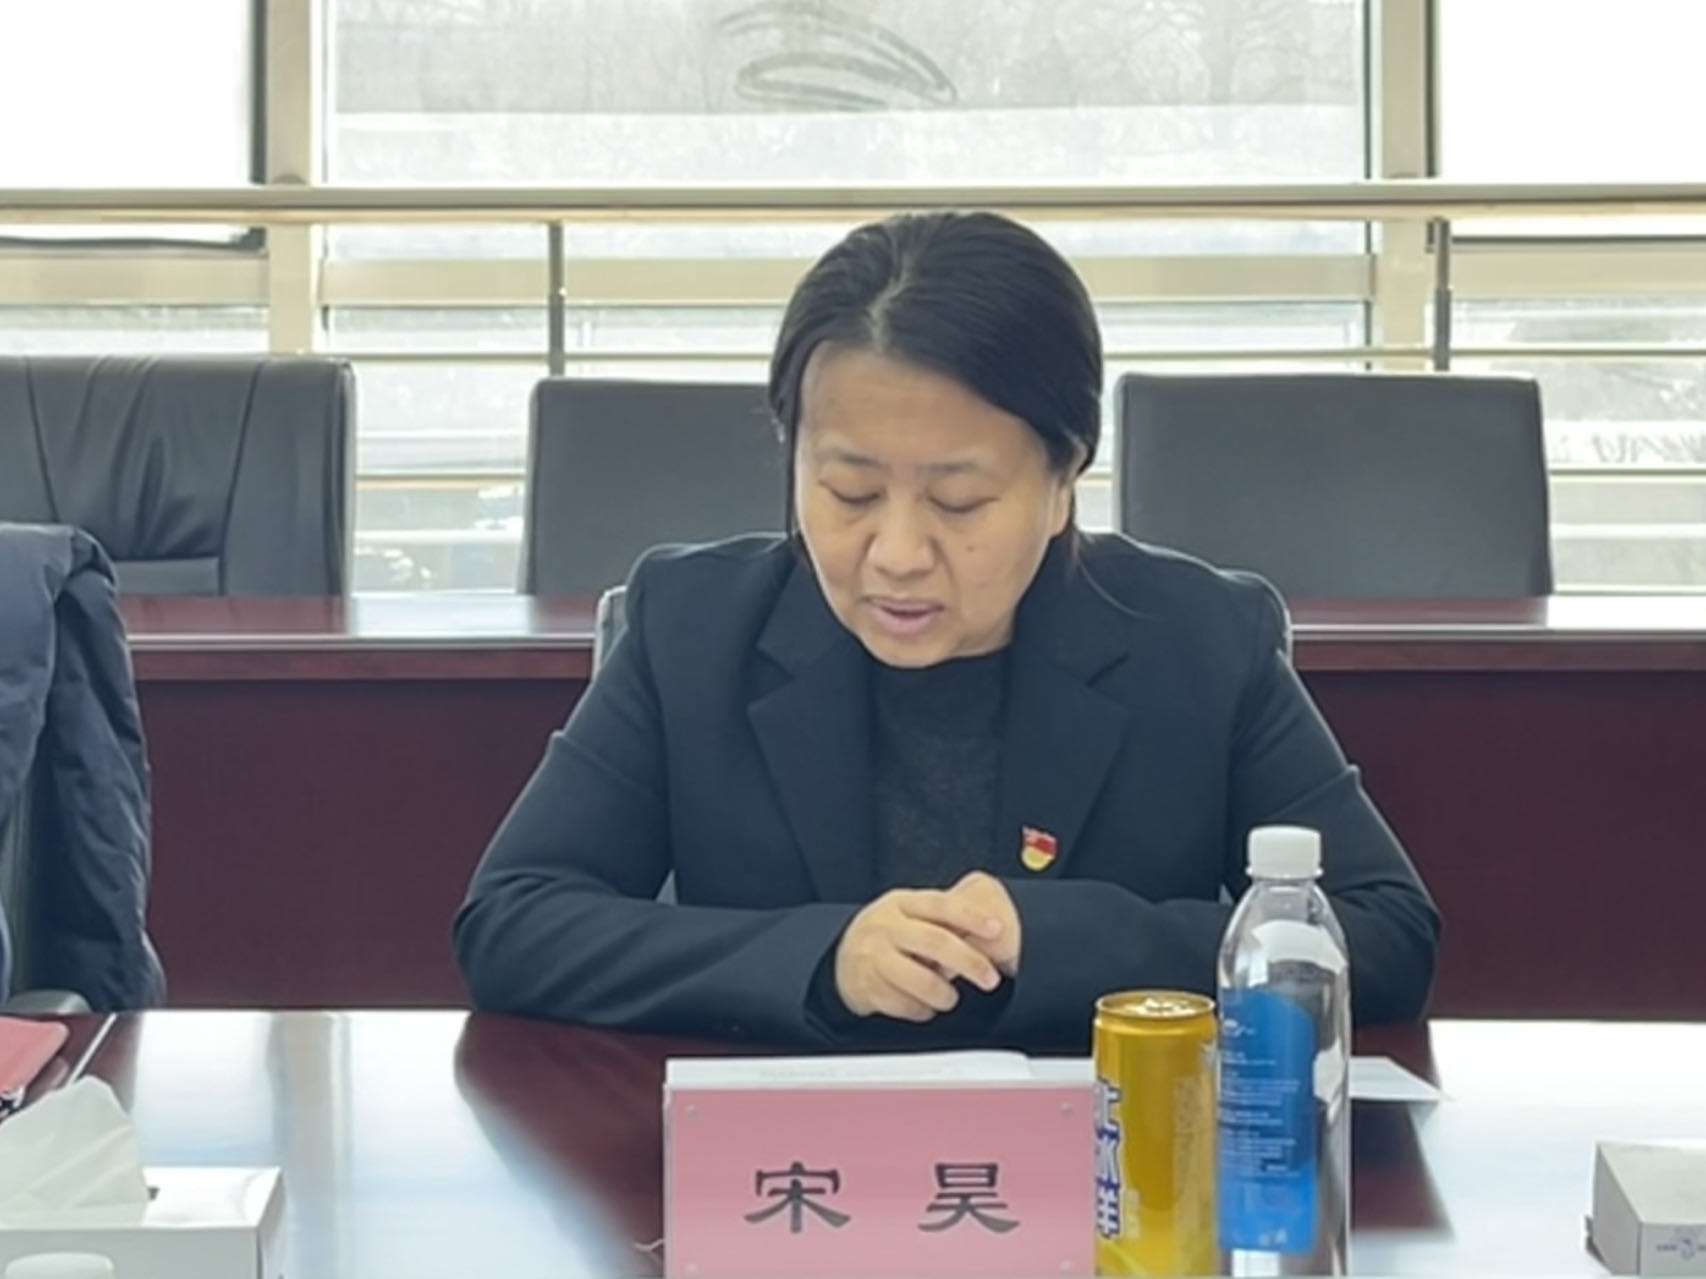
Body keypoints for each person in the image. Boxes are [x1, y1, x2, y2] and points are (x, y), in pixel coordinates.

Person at [454, 210, 1439, 1052]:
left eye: (959, 502)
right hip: (782, 1172)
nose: (895, 553)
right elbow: (513, 918)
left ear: (1063, 480)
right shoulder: (694, 627)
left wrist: (1055, 939)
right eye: (849, 492)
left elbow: (1384, 935)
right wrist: (821, 958)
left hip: (1101, 1175)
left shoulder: (1196, 639)